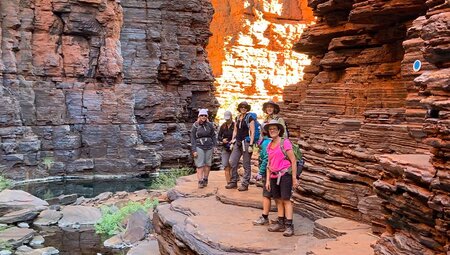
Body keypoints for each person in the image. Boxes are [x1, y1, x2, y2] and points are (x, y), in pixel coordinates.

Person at [264, 120, 297, 237]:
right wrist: (267, 180)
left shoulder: (285, 143)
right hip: (273, 175)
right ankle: (281, 222)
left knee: (286, 199)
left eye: (274, 129)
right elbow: (269, 163)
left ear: (279, 130)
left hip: (284, 175)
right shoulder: (269, 145)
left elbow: (293, 160)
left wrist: (294, 178)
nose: (272, 130)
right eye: (270, 129)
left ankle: (289, 225)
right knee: (277, 199)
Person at [225, 101, 255, 191]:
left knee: (246, 164)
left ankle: (245, 184)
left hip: (246, 142)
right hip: (237, 142)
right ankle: (234, 181)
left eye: (245, 107)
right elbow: (235, 130)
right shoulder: (237, 117)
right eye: (241, 107)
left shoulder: (250, 118)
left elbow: (252, 132)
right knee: (232, 161)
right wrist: (232, 140)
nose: (243, 108)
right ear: (239, 108)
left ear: (247, 108)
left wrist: (251, 144)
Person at [190, 109, 217, 189]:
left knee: (208, 164)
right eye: (202, 115)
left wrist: (215, 146)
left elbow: (213, 135)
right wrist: (194, 150)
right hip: (199, 146)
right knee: (200, 164)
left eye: (205, 115)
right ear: (199, 116)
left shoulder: (210, 125)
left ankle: (205, 179)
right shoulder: (195, 125)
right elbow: (193, 138)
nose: (203, 117)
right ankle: (200, 181)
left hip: (209, 146)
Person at [252, 126, 272, 226]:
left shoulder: (265, 143)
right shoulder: (272, 142)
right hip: (277, 172)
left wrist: (260, 172)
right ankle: (283, 218)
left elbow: (266, 159)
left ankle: (265, 217)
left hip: (269, 172)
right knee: (278, 196)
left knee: (266, 195)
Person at [218, 111, 234, 183]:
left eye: (228, 118)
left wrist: (232, 141)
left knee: (232, 164)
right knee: (225, 164)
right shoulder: (223, 126)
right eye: (226, 119)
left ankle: (233, 180)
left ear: (231, 117)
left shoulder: (235, 125)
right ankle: (228, 182)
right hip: (225, 147)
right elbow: (218, 136)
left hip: (233, 147)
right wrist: (222, 140)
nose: (227, 120)